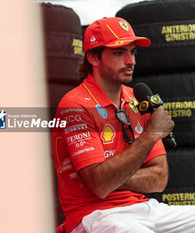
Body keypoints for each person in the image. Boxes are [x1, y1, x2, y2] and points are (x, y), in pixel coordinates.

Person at [52, 17, 195, 233]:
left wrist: (110, 175)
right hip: (96, 215)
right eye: (119, 53)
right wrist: (151, 134)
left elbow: (159, 178)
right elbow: (100, 186)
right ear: (93, 58)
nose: (131, 61)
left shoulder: (137, 99)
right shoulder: (75, 105)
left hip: (145, 208)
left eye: (133, 52)